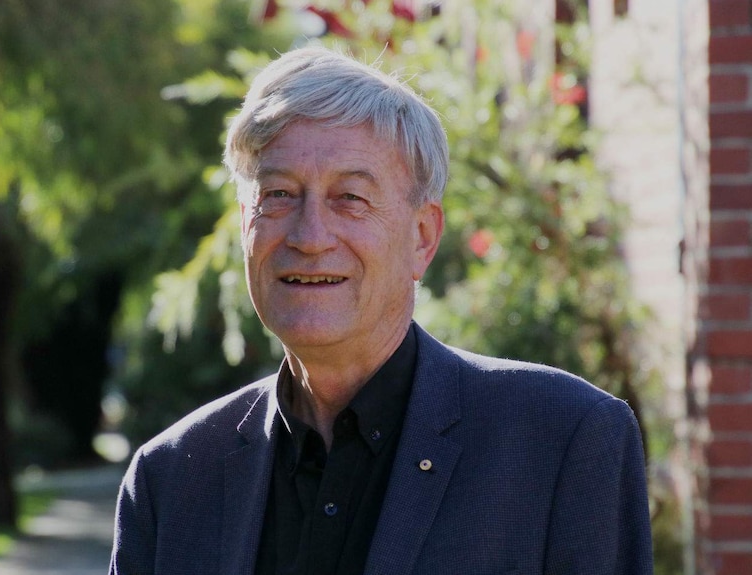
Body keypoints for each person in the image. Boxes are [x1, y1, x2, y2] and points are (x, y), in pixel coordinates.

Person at [110, 45, 653, 575]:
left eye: (350, 198)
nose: (310, 235)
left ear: (422, 237)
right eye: (278, 194)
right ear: (244, 224)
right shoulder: (171, 481)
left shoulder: (561, 441)